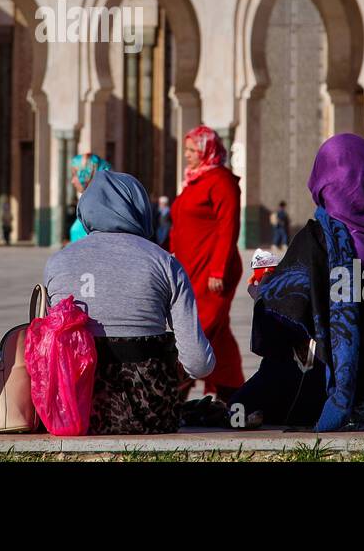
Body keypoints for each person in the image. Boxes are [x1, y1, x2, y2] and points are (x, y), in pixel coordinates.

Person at [232, 134, 364, 431]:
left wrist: (262, 292)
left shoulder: (315, 242)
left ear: (322, 178)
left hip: (323, 391)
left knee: (248, 397)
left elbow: (279, 322)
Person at [44, 171, 215, 434]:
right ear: (139, 208)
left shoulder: (58, 263)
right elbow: (199, 363)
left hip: (75, 411)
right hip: (151, 414)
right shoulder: (164, 263)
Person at [168, 125, 244, 400]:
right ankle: (230, 390)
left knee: (201, 328)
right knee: (217, 333)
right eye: (186, 149)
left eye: (192, 150)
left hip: (213, 271)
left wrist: (218, 269)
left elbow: (228, 227)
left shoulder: (221, 181)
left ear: (206, 150)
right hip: (191, 269)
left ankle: (177, 385)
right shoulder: (195, 180)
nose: (187, 155)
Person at [67, 153, 112, 243]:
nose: (72, 181)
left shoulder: (96, 206)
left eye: (75, 174)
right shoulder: (96, 201)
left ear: (86, 173)